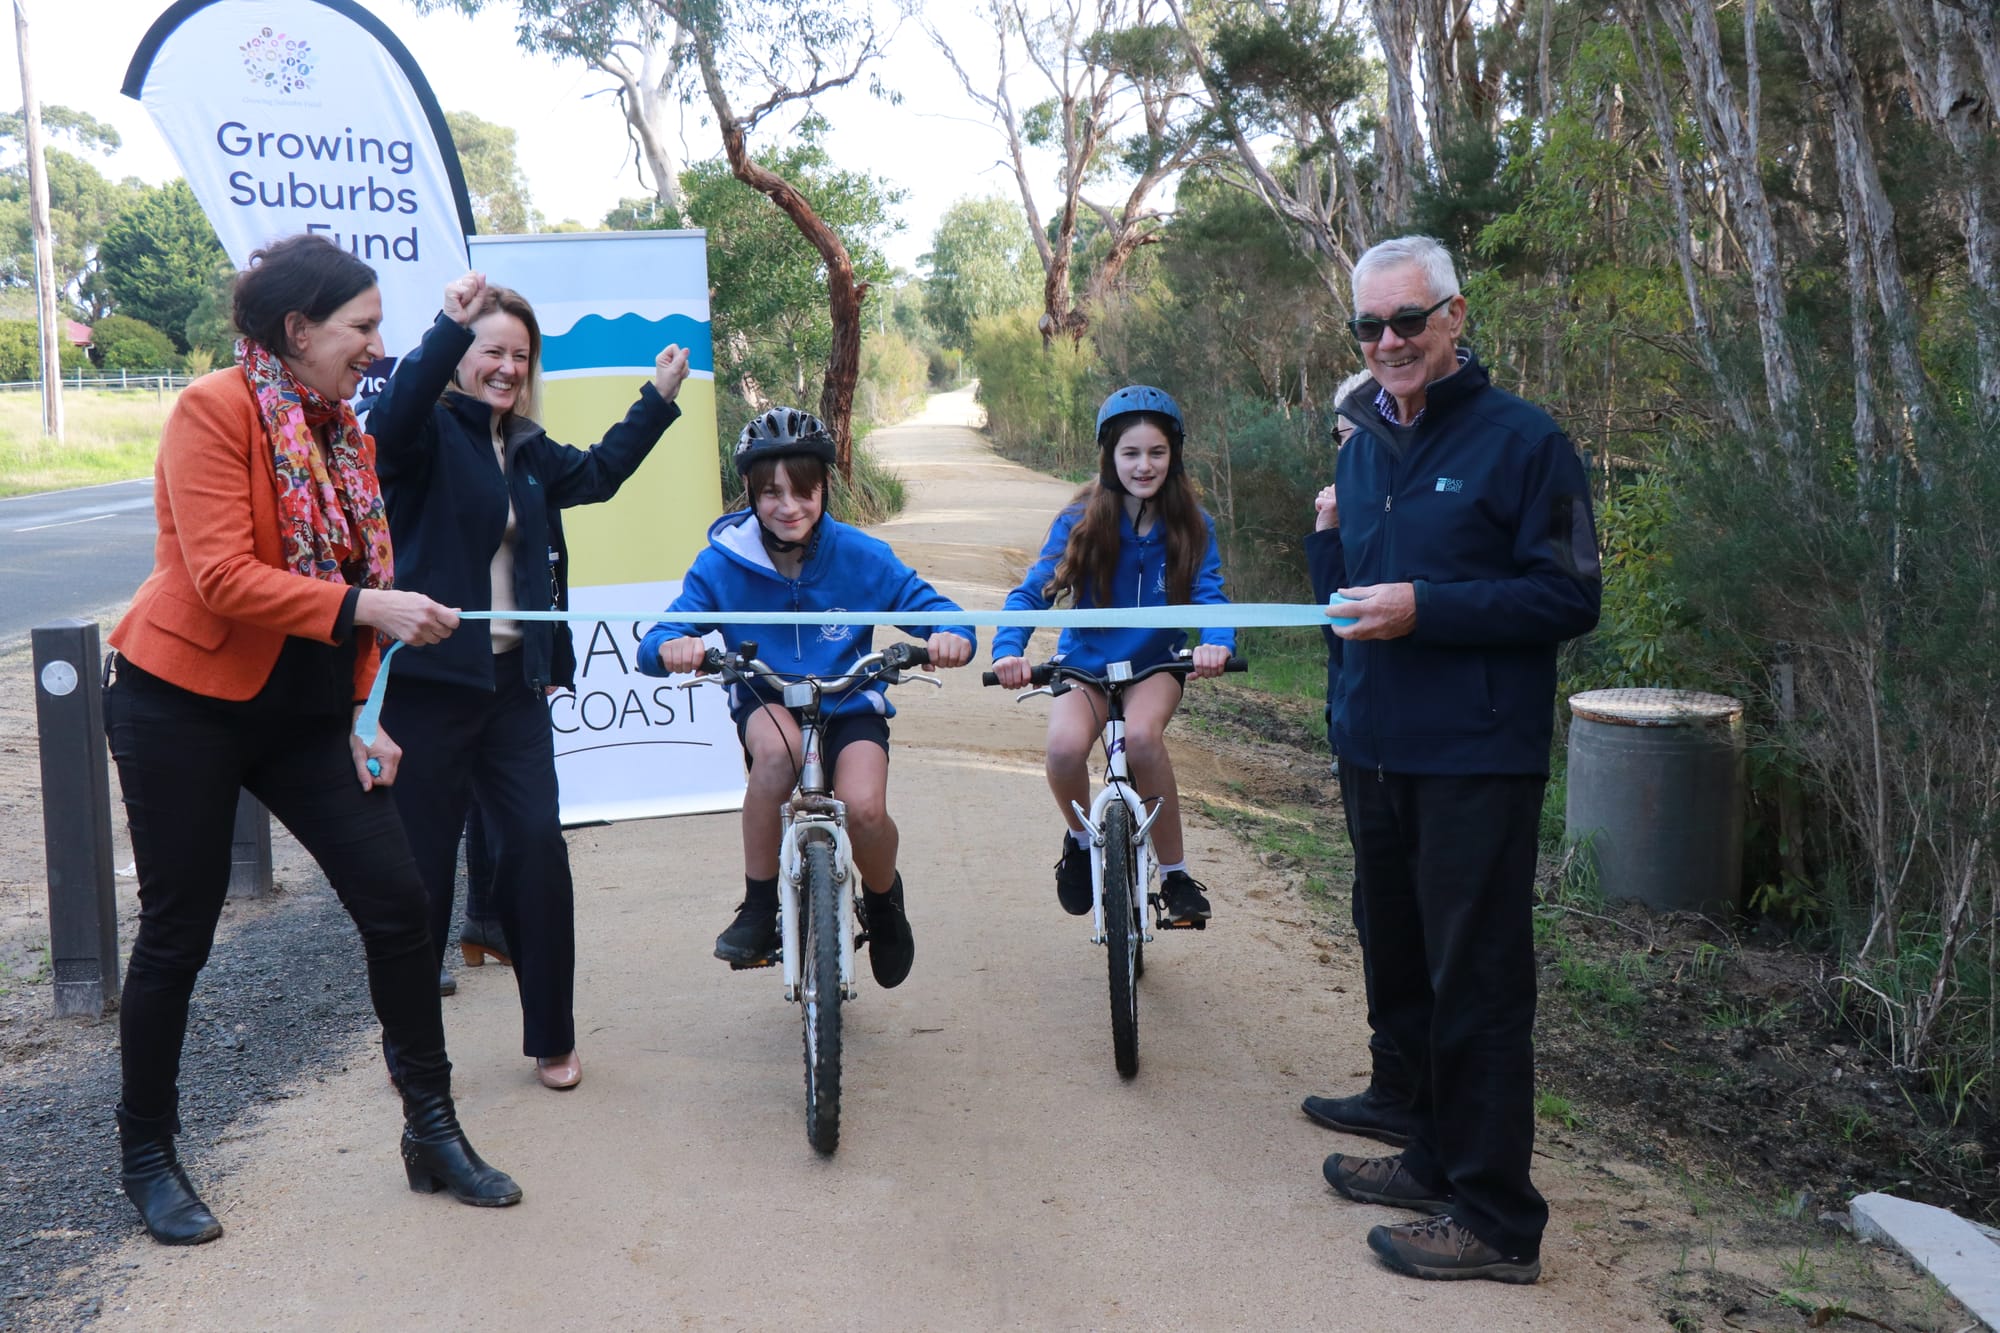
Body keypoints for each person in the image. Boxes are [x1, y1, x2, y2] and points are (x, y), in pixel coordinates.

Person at [103, 233, 520, 1246]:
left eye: (382, 328)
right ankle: (147, 1154)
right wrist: (370, 608)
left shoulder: (340, 431)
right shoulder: (215, 407)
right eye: (361, 327)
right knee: (178, 933)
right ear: (297, 330)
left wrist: (362, 720)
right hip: (180, 699)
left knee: (400, 900)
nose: (374, 347)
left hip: (300, 713)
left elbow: (349, 567)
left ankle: (431, 1128)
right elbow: (220, 578)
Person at [1312, 235, 1600, 1284]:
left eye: (1407, 320)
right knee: (1404, 961)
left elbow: (1568, 597)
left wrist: (1425, 609)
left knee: (1475, 982)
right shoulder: (1359, 444)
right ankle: (1433, 1157)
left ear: (1454, 317)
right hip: (1374, 751)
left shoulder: (1523, 442)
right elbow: (1346, 603)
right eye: (1369, 327)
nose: (1388, 342)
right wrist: (1324, 547)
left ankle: (1494, 1216)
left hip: (1476, 756)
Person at [369, 273, 690, 1091]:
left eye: (521, 354)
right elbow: (392, 415)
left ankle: (552, 1035)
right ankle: (413, 1051)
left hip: (515, 689)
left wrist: (656, 397)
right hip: (428, 690)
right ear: (460, 360)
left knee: (539, 853)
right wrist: (447, 322)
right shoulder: (424, 434)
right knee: (423, 874)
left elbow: (601, 474)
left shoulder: (528, 448)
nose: (507, 367)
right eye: (490, 351)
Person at [637, 408, 975, 987]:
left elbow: (941, 614)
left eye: (803, 491)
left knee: (865, 809)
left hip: (850, 703)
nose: (787, 506)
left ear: (825, 489)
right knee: (777, 755)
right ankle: (759, 905)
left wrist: (948, 637)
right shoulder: (723, 562)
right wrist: (675, 649)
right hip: (767, 700)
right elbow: (659, 639)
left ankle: (885, 900)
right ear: (749, 493)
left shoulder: (861, 555)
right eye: (770, 493)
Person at [990, 385, 1234, 927]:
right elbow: (1034, 591)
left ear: (1174, 457)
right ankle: (1080, 843)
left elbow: (1211, 595)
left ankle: (1175, 875)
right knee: (1062, 750)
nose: (1144, 465)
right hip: (1086, 664)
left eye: (1156, 453)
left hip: (1156, 664)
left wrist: (1217, 643)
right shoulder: (1079, 518)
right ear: (1109, 457)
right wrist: (1010, 649)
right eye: (1130, 453)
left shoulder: (1192, 523)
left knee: (1144, 739)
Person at [1299, 369, 1418, 1147]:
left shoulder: (1408, 507)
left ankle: (1421, 1101)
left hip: (1424, 748)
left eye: (1354, 440)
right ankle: (1393, 1083)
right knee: (1374, 908)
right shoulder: (1354, 507)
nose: (1346, 455)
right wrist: (1326, 534)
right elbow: (1332, 624)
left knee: (1415, 919)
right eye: (1340, 441)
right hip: (1358, 733)